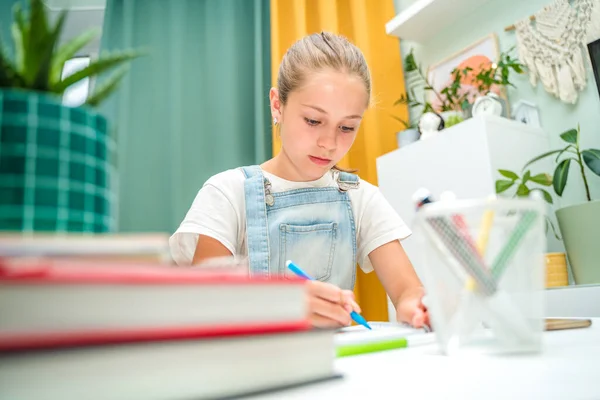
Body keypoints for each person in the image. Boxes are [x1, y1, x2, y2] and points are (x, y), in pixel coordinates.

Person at [170, 31, 429, 329]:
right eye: (313, 121)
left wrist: (418, 306)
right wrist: (282, 304)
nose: (329, 143)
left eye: (347, 127)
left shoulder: (360, 197)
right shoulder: (227, 193)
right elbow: (205, 304)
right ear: (277, 105)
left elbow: (408, 291)